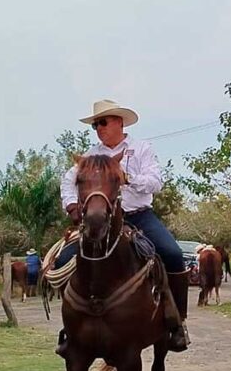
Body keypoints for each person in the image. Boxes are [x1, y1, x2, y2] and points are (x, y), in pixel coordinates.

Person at [55, 99, 190, 354]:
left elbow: (155, 182)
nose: (98, 128)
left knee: (172, 254)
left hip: (139, 217)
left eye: (102, 122)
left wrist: (128, 178)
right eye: (95, 124)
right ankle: (70, 330)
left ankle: (177, 323)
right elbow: (68, 181)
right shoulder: (91, 156)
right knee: (63, 262)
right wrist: (72, 206)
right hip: (101, 221)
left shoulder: (141, 149)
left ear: (119, 122)